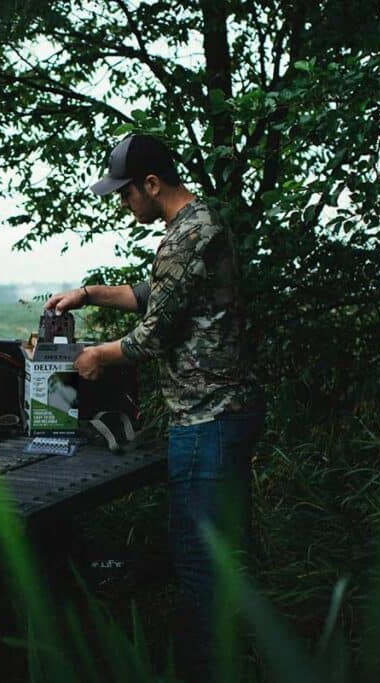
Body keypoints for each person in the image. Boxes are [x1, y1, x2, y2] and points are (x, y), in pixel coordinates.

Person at [44, 134, 264, 683]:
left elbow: (152, 335)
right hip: (221, 413)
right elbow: (157, 293)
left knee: (199, 565)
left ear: (150, 184)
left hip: (206, 418)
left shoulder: (188, 236)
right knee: (213, 557)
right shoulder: (199, 224)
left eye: (125, 194)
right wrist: (89, 293)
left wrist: (95, 357)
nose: (122, 204)